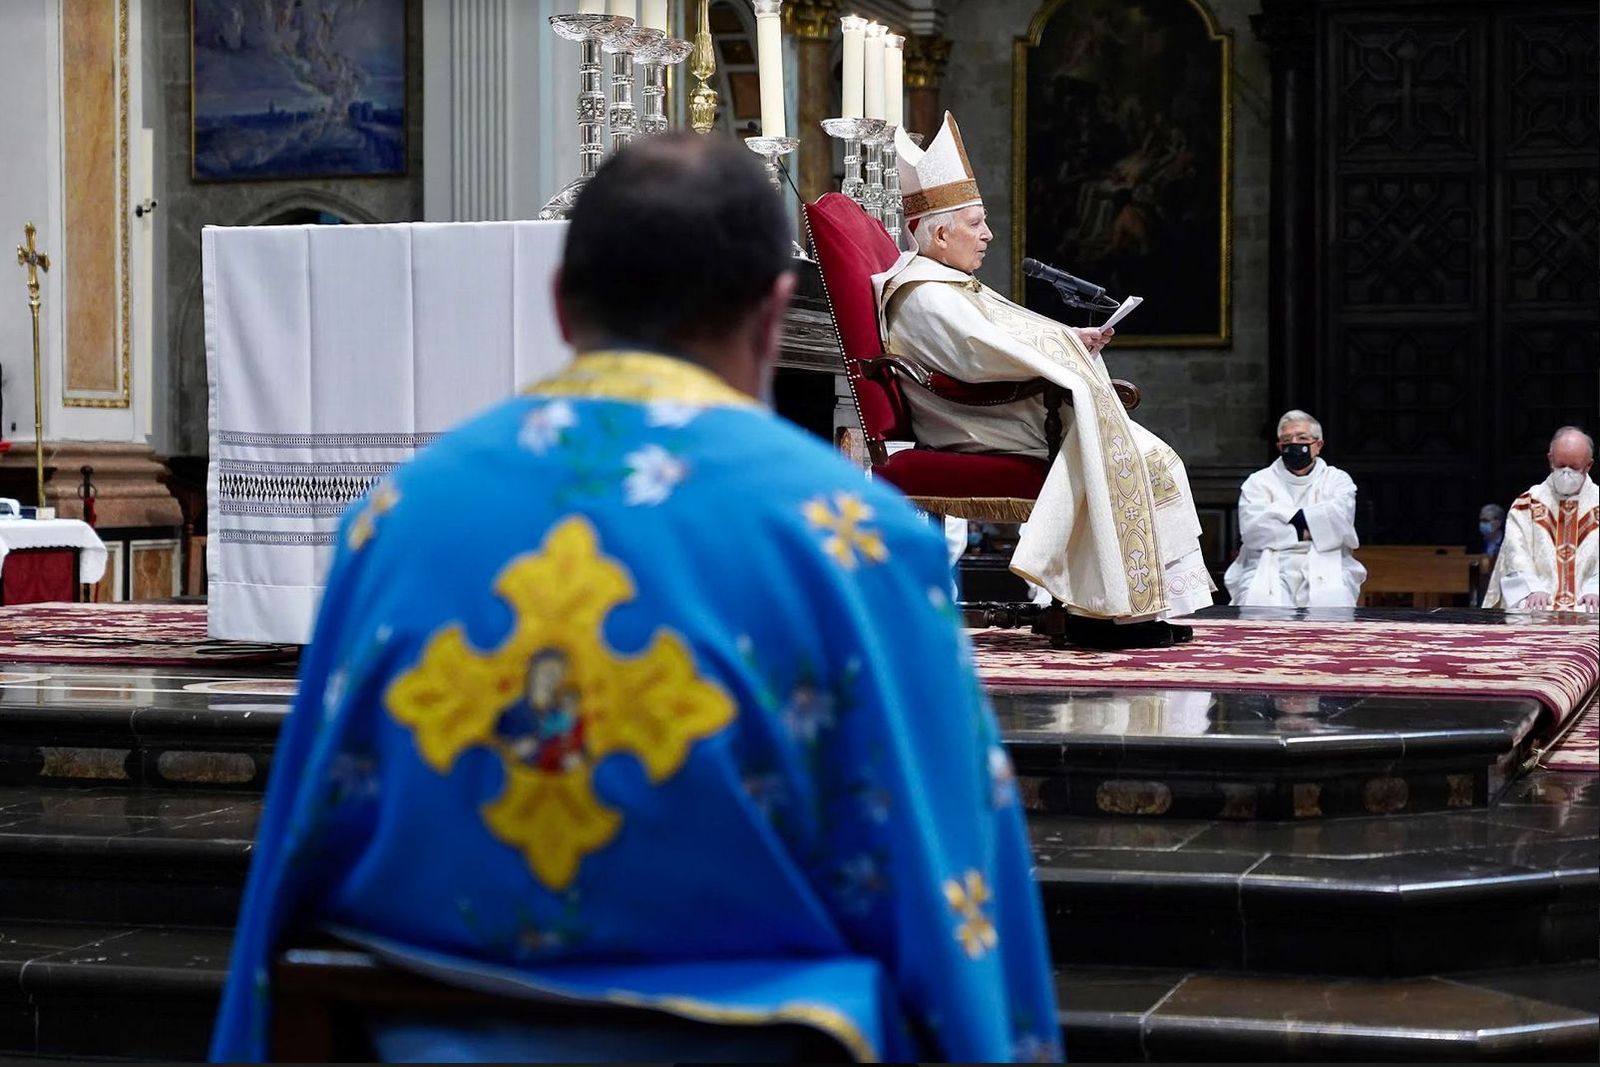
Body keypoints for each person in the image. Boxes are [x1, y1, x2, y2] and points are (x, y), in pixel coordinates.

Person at [209, 135, 1058, 1063]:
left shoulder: (393, 525)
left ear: (561, 306)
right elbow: (951, 896)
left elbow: (300, 862)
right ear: (774, 317)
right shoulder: (854, 540)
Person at [874, 112, 1213, 649]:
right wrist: (1060, 352)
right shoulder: (924, 292)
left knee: (1152, 458)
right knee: (1127, 457)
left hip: (1004, 412)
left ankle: (1128, 611)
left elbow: (1005, 339)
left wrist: (1069, 339)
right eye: (976, 223)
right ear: (939, 232)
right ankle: (1101, 617)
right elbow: (976, 356)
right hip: (975, 422)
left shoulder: (948, 283)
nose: (988, 234)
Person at [1222, 410, 1365, 608]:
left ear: (1318, 445)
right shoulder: (1258, 482)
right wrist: (1312, 526)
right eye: (1287, 439)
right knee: (1260, 602)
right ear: (1280, 446)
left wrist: (1282, 517)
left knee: (1334, 598)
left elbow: (1339, 524)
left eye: (1302, 438)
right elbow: (1253, 532)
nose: (1294, 443)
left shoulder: (1337, 480)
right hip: (1268, 560)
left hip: (1326, 558)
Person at [1483, 426, 1599, 613]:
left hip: (1590, 600)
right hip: (1537, 598)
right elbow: (1515, 552)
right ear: (1550, 460)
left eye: (1574, 467)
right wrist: (1531, 588)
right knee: (1526, 607)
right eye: (1561, 465)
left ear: (1588, 466)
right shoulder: (1528, 503)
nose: (1566, 472)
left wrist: (1596, 589)